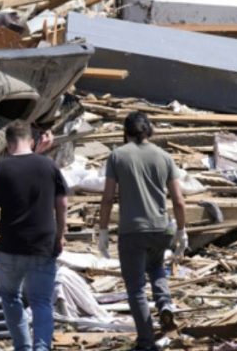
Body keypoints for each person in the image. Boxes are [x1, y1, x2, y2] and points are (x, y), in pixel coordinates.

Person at [97, 111, 188, 351]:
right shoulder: (164, 156)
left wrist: (104, 231)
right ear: (149, 131)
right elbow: (178, 200)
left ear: (125, 132)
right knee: (157, 268)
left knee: (136, 287)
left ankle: (146, 342)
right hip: (161, 228)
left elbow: (107, 198)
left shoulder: (117, 156)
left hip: (132, 231)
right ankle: (165, 303)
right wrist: (181, 230)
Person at [0, 120, 67, 351]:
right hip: (42, 246)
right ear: (32, 140)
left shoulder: (0, 168)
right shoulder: (49, 167)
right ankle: (41, 347)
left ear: (7, 144)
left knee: (10, 297)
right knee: (41, 302)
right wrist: (60, 235)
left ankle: (23, 347)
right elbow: (62, 203)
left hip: (10, 247)